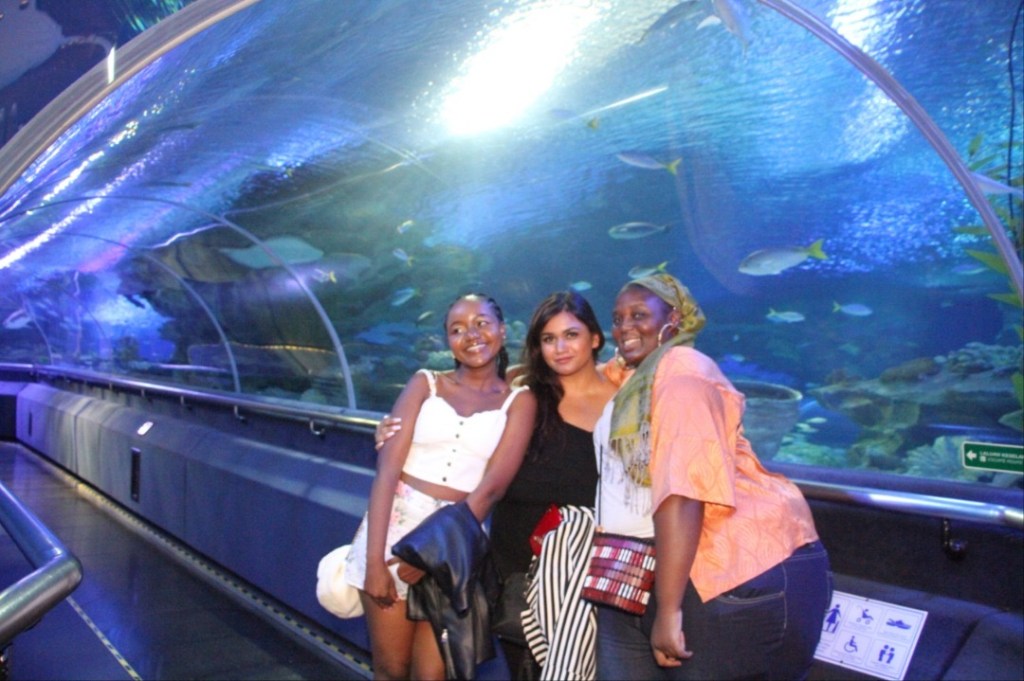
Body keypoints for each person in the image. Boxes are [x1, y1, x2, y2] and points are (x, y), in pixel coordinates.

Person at [592, 273, 831, 680]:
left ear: (674, 318)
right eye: (617, 319)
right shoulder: (639, 377)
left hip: (734, 565)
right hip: (656, 566)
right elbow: (596, 371)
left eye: (639, 315)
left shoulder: (683, 373)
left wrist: (669, 610)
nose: (624, 327)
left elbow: (683, 492)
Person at [377, 291, 617, 679]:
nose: (560, 348)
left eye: (571, 335)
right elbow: (466, 400)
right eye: (549, 338)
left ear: (595, 337)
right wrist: (390, 427)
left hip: (577, 566)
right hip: (511, 562)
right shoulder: (523, 389)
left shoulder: (621, 402)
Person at [346, 293, 537, 680]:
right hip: (392, 532)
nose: (472, 335)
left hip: (455, 542)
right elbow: (387, 472)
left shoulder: (520, 401)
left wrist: (430, 555)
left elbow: (492, 489)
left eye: (482, 323)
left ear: (502, 329)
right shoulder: (424, 383)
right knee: (390, 668)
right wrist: (374, 562)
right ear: (447, 340)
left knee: (434, 674)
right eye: (457, 329)